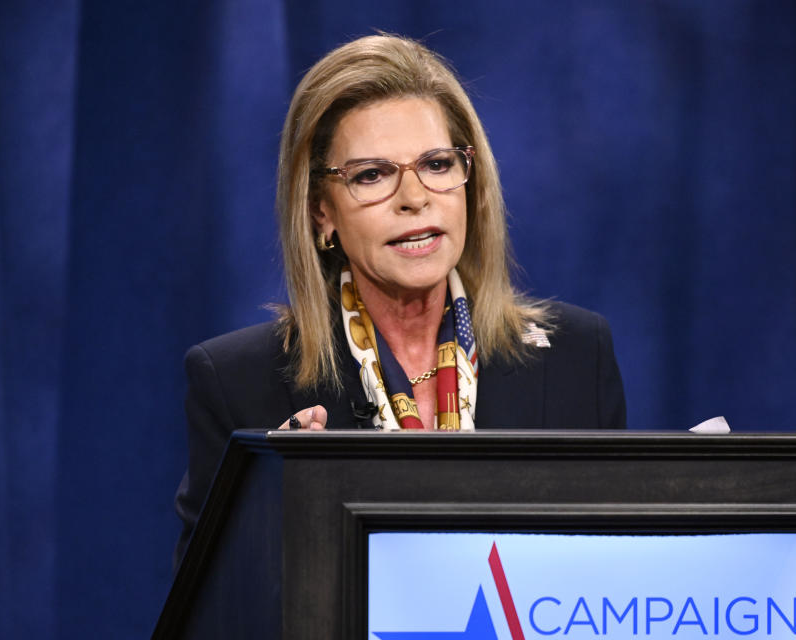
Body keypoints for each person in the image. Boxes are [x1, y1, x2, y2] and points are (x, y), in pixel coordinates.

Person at [173, 34, 626, 566]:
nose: (414, 199)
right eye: (372, 175)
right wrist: (270, 508)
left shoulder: (577, 357)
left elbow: (611, 578)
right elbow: (209, 615)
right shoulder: (238, 384)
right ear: (322, 213)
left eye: (436, 164)